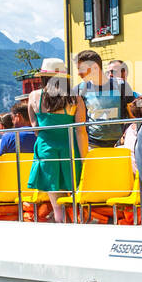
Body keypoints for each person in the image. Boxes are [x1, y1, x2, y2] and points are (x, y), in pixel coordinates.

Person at [28, 76, 87, 223]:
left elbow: (35, 128)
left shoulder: (34, 96)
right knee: (74, 187)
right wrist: (84, 157)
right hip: (70, 147)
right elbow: (81, 131)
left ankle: (60, 220)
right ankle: (75, 221)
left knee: (54, 192)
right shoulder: (75, 99)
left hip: (46, 147)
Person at [75, 49, 133, 149]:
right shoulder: (80, 89)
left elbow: (133, 116)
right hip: (92, 145)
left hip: (120, 144)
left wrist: (127, 137)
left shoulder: (121, 85)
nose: (79, 73)